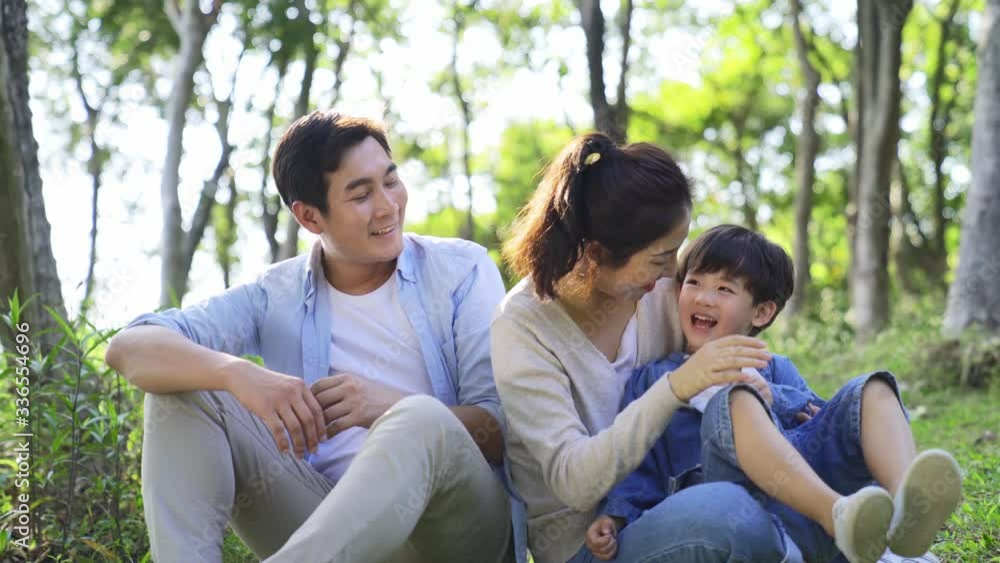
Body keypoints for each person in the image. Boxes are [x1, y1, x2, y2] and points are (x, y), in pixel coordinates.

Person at [105, 111, 515, 563]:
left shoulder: (462, 271)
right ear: (309, 216)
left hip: (455, 536)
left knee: (418, 418)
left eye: (391, 181)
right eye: (361, 194)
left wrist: (385, 407)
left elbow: (499, 433)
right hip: (324, 526)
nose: (387, 206)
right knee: (183, 390)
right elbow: (129, 347)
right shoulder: (273, 294)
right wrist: (238, 374)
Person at [491, 133, 799, 563]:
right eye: (659, 259)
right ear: (596, 253)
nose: (672, 275)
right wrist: (674, 388)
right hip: (593, 544)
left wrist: (788, 403)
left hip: (683, 492)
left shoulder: (657, 291)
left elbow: (727, 355)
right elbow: (573, 481)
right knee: (730, 511)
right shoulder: (522, 328)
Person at [585, 225, 962, 563]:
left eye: (724, 289)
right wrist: (617, 515)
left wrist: (776, 398)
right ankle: (839, 517)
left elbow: (818, 420)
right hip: (741, 512)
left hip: (801, 504)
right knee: (734, 397)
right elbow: (639, 463)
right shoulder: (658, 378)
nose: (703, 298)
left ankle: (904, 514)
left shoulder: (774, 367)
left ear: (762, 312)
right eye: (694, 283)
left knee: (873, 388)